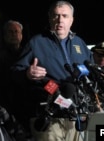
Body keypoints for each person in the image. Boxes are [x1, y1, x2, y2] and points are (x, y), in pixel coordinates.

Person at [10, 1, 93, 141]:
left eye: (65, 16)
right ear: (49, 18)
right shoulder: (37, 42)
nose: (60, 20)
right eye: (56, 16)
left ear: (71, 20)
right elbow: (15, 72)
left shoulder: (80, 43)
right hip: (49, 118)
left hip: (77, 117)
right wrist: (27, 74)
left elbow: (91, 73)